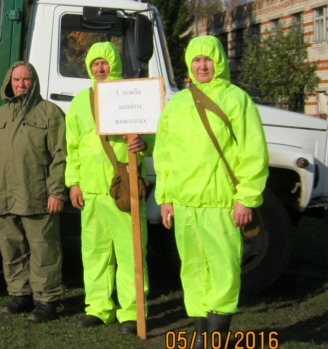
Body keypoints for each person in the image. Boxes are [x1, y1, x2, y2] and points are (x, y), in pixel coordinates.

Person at [155, 36, 268, 346]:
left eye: (208, 59)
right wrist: (165, 198)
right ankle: (201, 329)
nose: (202, 65)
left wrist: (246, 198)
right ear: (189, 65)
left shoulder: (236, 99)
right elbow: (165, 155)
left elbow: (253, 152)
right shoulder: (177, 104)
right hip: (185, 203)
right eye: (196, 60)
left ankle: (217, 333)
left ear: (218, 62)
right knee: (192, 267)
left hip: (221, 202)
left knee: (223, 267)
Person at [65, 42, 151, 335]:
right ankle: (98, 309)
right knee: (95, 252)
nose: (100, 69)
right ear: (89, 67)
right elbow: (72, 146)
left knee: (130, 252)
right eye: (94, 64)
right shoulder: (79, 102)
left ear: (113, 64)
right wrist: (73, 183)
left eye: (105, 63)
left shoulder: (132, 96)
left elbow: (152, 135)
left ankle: (131, 312)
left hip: (122, 188)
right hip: (90, 190)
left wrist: (143, 145)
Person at [0, 61, 67, 323]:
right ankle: (21, 294)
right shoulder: (0, 115)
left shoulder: (50, 113)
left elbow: (61, 155)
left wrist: (56, 192)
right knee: (11, 246)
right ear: (9, 82)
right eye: (16, 80)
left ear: (34, 81)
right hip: (3, 194)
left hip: (36, 193)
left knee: (43, 248)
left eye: (26, 80)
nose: (20, 84)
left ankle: (46, 298)